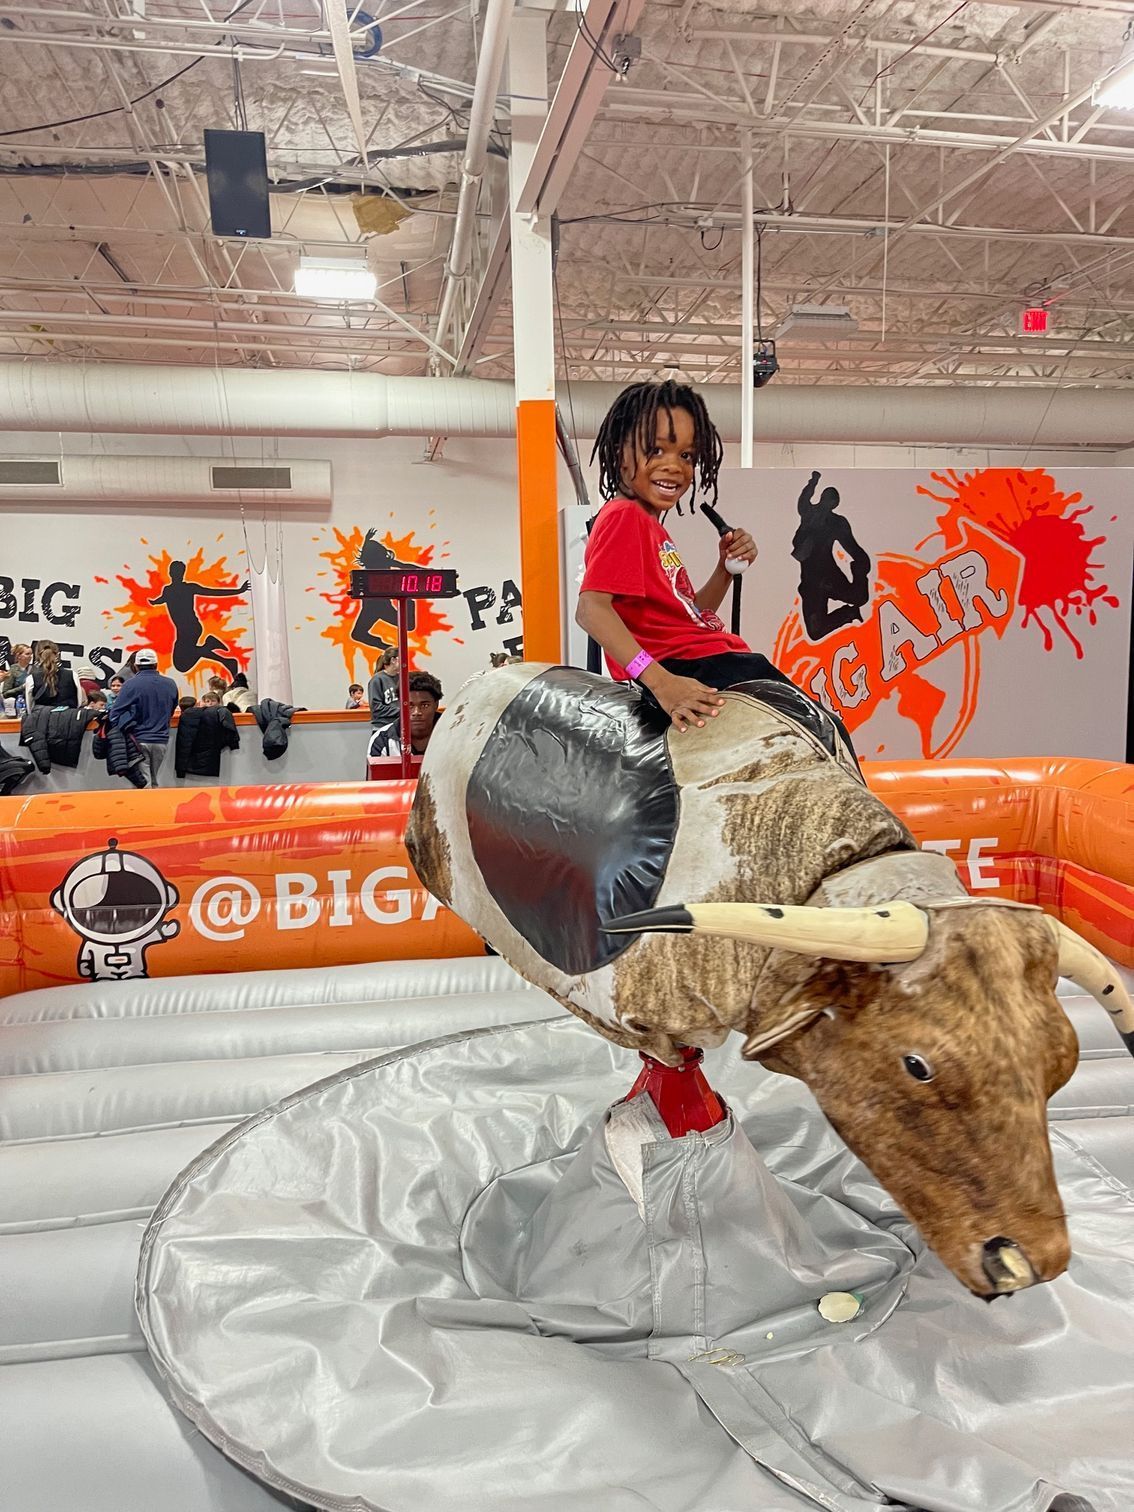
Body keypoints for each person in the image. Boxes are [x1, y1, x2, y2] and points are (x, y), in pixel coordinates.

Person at [576, 381, 770, 734]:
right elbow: (591, 610)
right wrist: (661, 683)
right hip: (695, 666)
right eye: (656, 450)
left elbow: (688, 617)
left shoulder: (648, 525)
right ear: (620, 452)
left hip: (702, 659)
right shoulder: (625, 516)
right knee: (822, 728)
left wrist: (724, 571)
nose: (674, 466)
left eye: (686, 456)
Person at [792, 470, 872, 640]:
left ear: (834, 504)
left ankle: (852, 609)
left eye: (831, 500)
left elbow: (853, 547)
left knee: (859, 597)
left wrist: (860, 568)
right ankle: (849, 613)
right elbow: (803, 500)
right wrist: (813, 482)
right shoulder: (809, 513)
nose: (827, 503)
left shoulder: (837, 523)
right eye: (826, 498)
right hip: (811, 582)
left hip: (829, 576)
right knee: (815, 632)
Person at [149, 559, 248, 677]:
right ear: (171, 573)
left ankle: (221, 655)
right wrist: (155, 602)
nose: (177, 574)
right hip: (183, 630)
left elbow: (212, 592)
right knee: (184, 661)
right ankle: (215, 649)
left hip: (191, 628)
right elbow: (163, 599)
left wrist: (238, 590)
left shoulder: (188, 587)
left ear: (181, 573)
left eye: (178, 572)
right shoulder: (168, 589)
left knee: (182, 664)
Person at [108, 647, 179, 788]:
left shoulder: (130, 685)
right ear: (156, 664)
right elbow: (171, 710)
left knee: (144, 784)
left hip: (137, 739)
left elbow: (115, 714)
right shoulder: (170, 684)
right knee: (152, 781)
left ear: (136, 665)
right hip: (161, 739)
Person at [28, 640, 80, 711]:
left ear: (37, 655)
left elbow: (29, 707)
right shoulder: (72, 675)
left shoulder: (32, 678)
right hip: (68, 718)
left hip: (42, 719)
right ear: (58, 654)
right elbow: (79, 703)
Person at [367, 649, 400, 759]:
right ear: (393, 660)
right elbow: (376, 708)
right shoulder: (377, 680)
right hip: (382, 728)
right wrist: (401, 711)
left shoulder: (402, 678)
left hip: (398, 728)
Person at [407, 672, 442, 756]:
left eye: (424, 705)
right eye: (410, 706)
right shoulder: (383, 740)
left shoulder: (455, 735)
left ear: (436, 705)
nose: (416, 712)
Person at [2, 644, 33, 710]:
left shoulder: (35, 669)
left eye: (31, 654)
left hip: (32, 702)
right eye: (27, 654)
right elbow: (5, 693)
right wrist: (22, 687)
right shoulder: (13, 670)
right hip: (19, 704)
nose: (30, 656)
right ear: (19, 656)